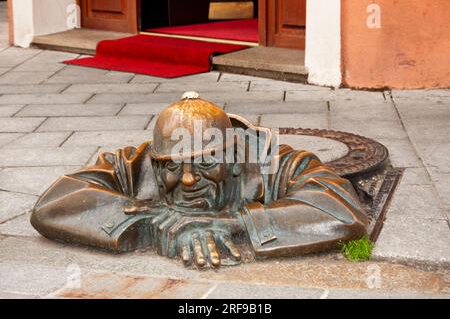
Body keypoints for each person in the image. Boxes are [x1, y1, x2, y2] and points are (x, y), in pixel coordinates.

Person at [31, 92, 367, 268]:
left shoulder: (273, 162)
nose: (188, 179)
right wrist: (150, 220)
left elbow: (342, 211)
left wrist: (232, 223)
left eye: (205, 164)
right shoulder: (139, 162)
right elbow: (53, 203)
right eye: (172, 168)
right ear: (156, 161)